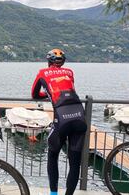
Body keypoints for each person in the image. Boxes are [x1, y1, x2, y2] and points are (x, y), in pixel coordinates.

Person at [31, 49, 87, 195]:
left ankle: (54, 193)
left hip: (62, 120)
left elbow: (34, 94)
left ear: (48, 61)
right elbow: (69, 88)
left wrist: (47, 94)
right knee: (75, 163)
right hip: (80, 116)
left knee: (53, 155)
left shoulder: (42, 72)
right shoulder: (69, 72)